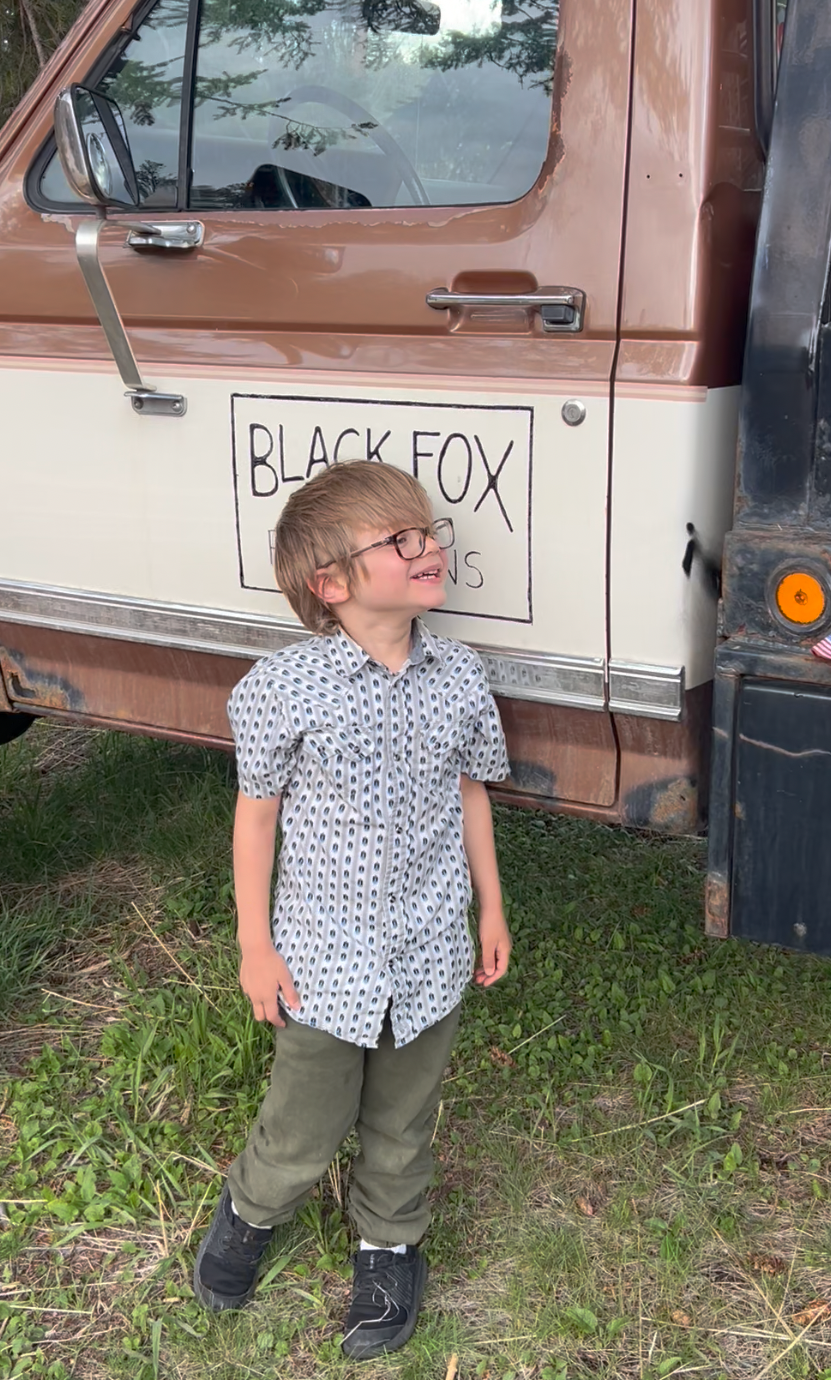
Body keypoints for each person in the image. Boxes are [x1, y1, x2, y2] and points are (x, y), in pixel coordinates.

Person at [192, 460, 511, 1360]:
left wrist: (491, 910)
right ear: (330, 584)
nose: (429, 548)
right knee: (306, 1115)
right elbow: (255, 821)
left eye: (429, 531)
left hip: (429, 950)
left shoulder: (459, 675)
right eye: (400, 540)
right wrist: (257, 946)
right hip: (324, 960)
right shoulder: (283, 688)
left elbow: (471, 794)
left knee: (404, 1116)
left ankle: (388, 1245)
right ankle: (252, 1210)